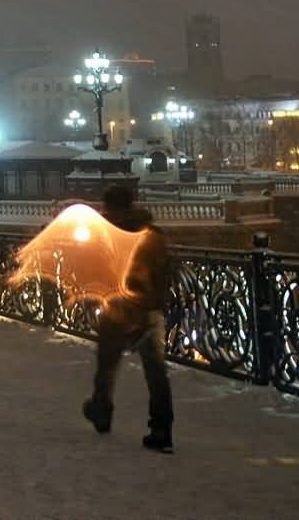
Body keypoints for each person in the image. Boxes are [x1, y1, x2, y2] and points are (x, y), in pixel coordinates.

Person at [83, 186, 174, 453]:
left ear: (111, 208)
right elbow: (166, 269)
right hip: (148, 310)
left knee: (107, 364)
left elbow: (99, 270)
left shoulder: (108, 236)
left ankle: (101, 410)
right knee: (156, 373)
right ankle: (161, 429)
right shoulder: (153, 236)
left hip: (118, 309)